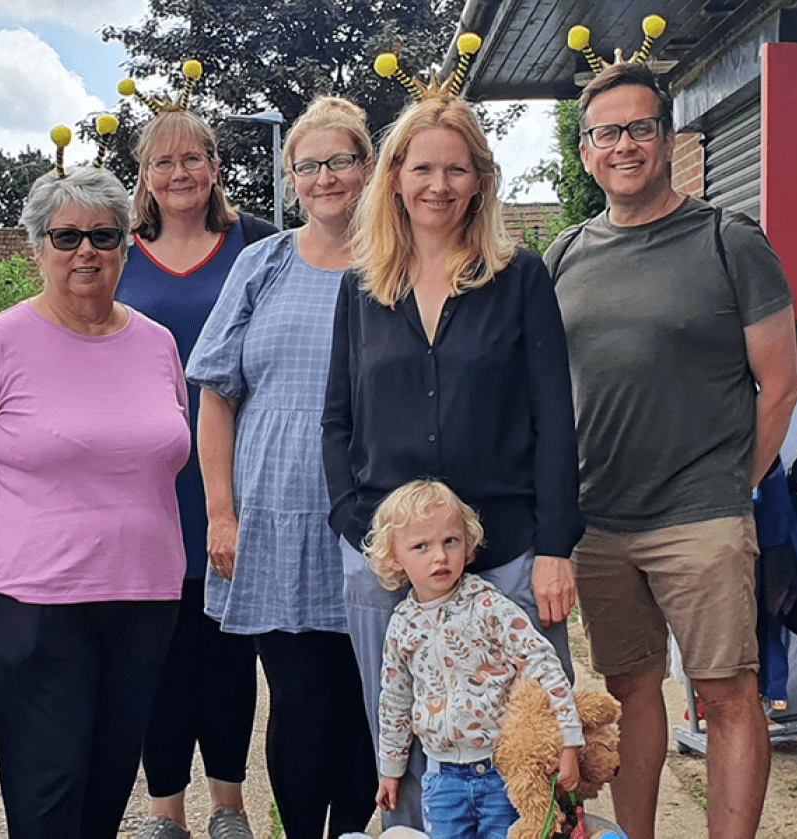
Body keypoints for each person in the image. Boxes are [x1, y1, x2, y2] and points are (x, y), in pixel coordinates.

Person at [545, 61, 797, 839]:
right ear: (587, 151)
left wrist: (729, 489)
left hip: (701, 515)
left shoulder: (729, 240)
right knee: (629, 692)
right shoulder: (562, 256)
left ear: (667, 138)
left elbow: (780, 385)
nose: (624, 145)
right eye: (607, 132)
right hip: (600, 520)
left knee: (726, 693)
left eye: (640, 128)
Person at [322, 94, 584, 829]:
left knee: (528, 745)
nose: (438, 185)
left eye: (457, 169)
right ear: (395, 176)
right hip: (390, 559)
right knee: (403, 744)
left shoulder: (520, 277)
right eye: (422, 167)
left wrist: (555, 544)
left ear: (481, 180)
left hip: (506, 551)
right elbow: (337, 417)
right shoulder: (362, 287)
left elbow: (553, 419)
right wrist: (354, 522)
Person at [0, 165, 188, 839]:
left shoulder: (157, 344)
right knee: (48, 797)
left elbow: (166, 448)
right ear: (37, 246)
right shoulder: (1, 340)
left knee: (106, 786)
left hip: (144, 597)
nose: (87, 251)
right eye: (66, 235)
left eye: (105, 234)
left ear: (126, 244)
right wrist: (12, 527)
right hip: (38, 600)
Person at [186, 96, 379, 839]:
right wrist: (221, 510)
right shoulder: (261, 263)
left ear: (368, 167)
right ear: (291, 176)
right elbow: (215, 392)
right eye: (309, 164)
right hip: (275, 516)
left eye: (341, 160)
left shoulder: (401, 261)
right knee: (298, 703)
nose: (325, 176)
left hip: (372, 519)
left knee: (369, 699)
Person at [117, 106, 276, 839]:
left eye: (192, 158)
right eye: (162, 161)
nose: (178, 173)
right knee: (157, 649)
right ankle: (164, 810)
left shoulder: (257, 247)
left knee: (226, 647)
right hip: (145, 485)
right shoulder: (117, 254)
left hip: (235, 481)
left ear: (215, 166)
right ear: (144, 177)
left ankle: (229, 805)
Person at [366, 480, 582, 837]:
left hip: (503, 772)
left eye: (450, 541)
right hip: (441, 779)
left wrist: (569, 740)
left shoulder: (489, 607)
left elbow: (542, 663)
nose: (440, 556)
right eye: (421, 546)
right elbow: (394, 701)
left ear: (467, 543)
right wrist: (391, 770)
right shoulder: (402, 626)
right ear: (393, 557)